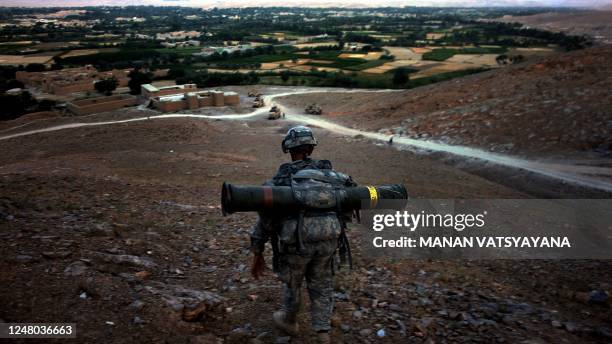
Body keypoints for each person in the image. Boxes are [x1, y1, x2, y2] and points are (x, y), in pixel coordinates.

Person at [250, 126, 356, 343]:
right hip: (329, 240)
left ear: (289, 149)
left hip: (296, 243)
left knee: (293, 282)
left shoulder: (280, 182)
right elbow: (349, 203)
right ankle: (323, 332)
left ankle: (290, 321)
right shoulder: (333, 177)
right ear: (311, 148)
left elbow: (266, 220)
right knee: (322, 282)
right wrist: (335, 229)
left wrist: (257, 250)